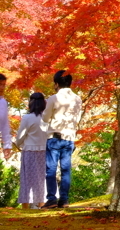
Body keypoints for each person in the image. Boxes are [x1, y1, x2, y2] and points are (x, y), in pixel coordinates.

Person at [42, 70, 83, 209]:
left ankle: (52, 199)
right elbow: (77, 119)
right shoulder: (77, 99)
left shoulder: (53, 98)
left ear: (56, 83)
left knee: (51, 170)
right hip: (69, 138)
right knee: (66, 170)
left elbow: (45, 118)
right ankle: (64, 200)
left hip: (54, 137)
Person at [15, 92, 49, 208]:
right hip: (44, 151)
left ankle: (26, 207)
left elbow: (20, 136)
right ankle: (42, 205)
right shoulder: (47, 117)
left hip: (29, 150)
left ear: (31, 103)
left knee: (27, 179)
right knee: (42, 179)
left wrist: (17, 144)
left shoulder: (27, 118)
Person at [0, 73, 12, 160]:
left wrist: (7, 145)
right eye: (0, 84)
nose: (2, 88)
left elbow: (5, 125)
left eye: (4, 85)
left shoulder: (3, 102)